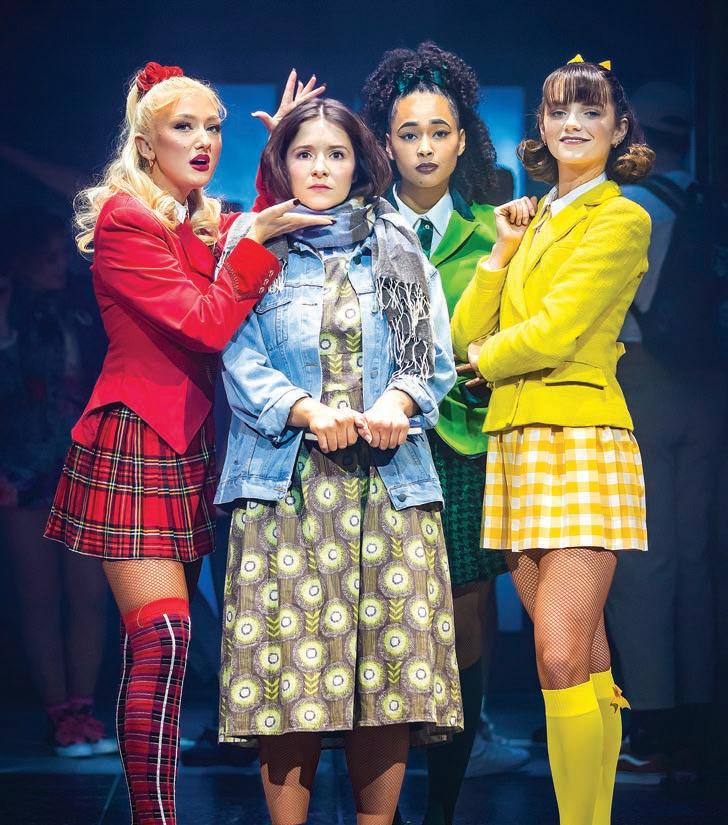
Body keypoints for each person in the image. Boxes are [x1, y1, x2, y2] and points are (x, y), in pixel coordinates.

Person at [44, 62, 329, 824]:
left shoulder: (201, 218)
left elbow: (260, 223)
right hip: (136, 437)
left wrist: (283, 149)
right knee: (165, 637)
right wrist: (253, 237)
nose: (204, 140)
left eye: (213, 127)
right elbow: (206, 321)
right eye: (184, 127)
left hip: (197, 447)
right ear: (146, 140)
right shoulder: (125, 220)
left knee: (168, 652)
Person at [215, 98, 461, 825]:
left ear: (360, 163)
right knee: (286, 677)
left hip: (388, 484)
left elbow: (429, 358)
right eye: (304, 154)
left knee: (388, 677)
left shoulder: (397, 243)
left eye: (335, 153)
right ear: (282, 163)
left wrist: (397, 402)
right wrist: (306, 409)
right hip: (286, 486)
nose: (320, 168)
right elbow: (235, 353)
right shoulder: (255, 244)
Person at [451, 56, 654, 825]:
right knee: (579, 652)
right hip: (514, 440)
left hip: (579, 437)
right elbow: (465, 331)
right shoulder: (530, 216)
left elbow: (557, 330)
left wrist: (483, 361)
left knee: (560, 654)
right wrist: (500, 252)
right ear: (539, 124)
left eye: (591, 111)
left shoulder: (620, 217)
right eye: (560, 110)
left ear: (619, 127)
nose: (573, 123)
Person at [360, 41, 527, 825]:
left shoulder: (496, 231)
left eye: (438, 131)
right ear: (386, 143)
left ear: (463, 140)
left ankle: (443, 809)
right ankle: (379, 808)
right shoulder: (355, 228)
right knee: (376, 621)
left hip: (462, 444)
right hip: (376, 444)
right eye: (409, 133)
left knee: (463, 624)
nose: (424, 147)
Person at [606, 82, 728, 773]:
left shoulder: (632, 208)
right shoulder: (710, 203)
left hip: (645, 377)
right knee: (697, 552)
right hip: (710, 383)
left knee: (644, 554)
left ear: (636, 135)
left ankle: (649, 720)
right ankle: (700, 712)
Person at [0, 208, 114, 757]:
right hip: (24, 467)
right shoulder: (13, 310)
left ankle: (84, 710)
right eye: (44, 256)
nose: (56, 264)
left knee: (89, 595)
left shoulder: (83, 305)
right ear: (20, 259)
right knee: (38, 597)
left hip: (85, 463)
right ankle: (60, 715)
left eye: (59, 254)